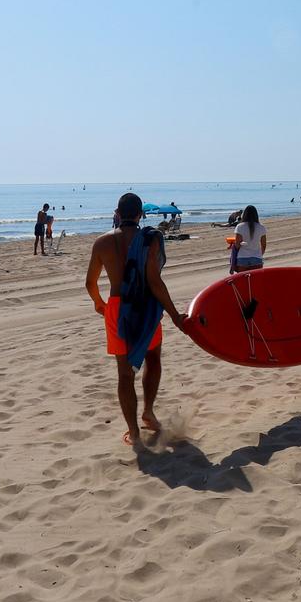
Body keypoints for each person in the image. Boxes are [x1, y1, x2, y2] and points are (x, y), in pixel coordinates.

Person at [84, 192, 188, 451]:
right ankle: (149, 413)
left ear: (117, 213)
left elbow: (90, 283)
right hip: (145, 307)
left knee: (124, 373)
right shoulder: (150, 240)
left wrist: (100, 303)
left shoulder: (101, 243)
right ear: (140, 214)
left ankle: (133, 431)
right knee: (153, 358)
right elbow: (154, 281)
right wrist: (174, 315)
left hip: (118, 308)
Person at [230, 204, 267, 272]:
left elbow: (237, 244)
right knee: (255, 281)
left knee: (242, 281)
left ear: (244, 214)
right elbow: (263, 245)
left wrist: (233, 247)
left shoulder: (240, 227)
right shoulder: (261, 227)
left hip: (243, 258)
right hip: (256, 258)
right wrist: (258, 255)